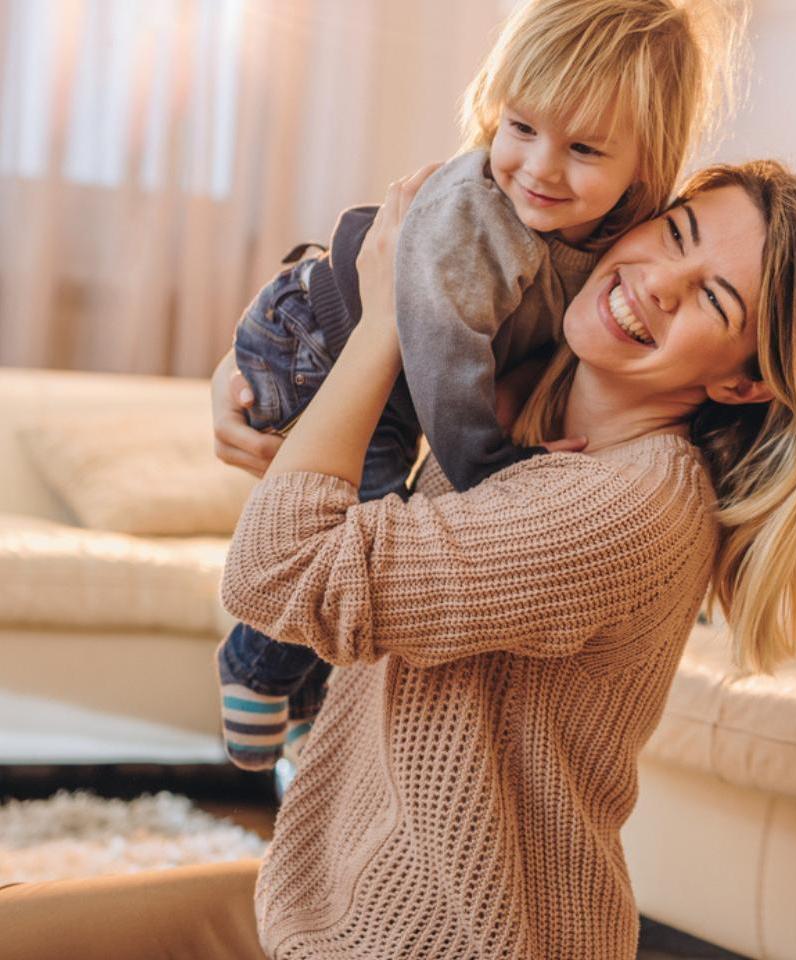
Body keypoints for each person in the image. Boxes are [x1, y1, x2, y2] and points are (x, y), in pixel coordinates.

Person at [0, 158, 796, 960]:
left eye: (713, 299)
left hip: (447, 936)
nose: (658, 284)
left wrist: (389, 320)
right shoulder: (516, 383)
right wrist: (247, 375)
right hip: (325, 899)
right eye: (676, 235)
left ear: (741, 383)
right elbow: (331, 302)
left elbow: (281, 571)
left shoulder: (627, 509)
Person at [215, 0, 744, 771]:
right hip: (319, 340)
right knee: (356, 527)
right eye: (520, 127)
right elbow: (440, 350)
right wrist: (488, 466)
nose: (540, 167)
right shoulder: (484, 216)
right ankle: (254, 665)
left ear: (646, 164)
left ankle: (302, 703)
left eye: (584, 148)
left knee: (375, 521)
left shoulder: (615, 238)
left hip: (375, 363)